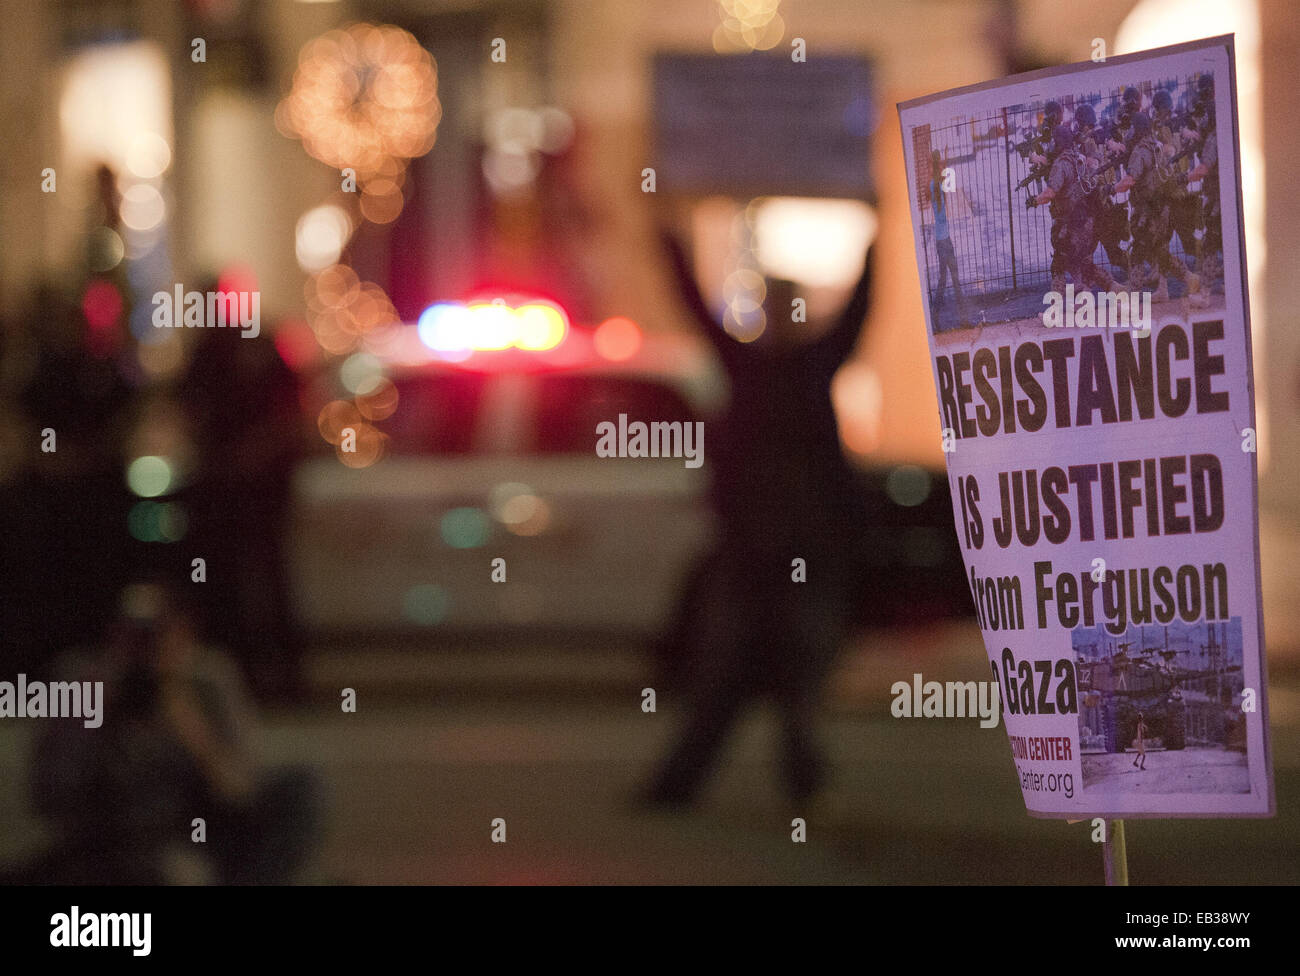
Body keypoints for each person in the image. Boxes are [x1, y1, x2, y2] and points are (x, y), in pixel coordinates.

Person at [642, 227, 875, 807]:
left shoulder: (801, 367)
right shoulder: (776, 369)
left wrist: (877, 238)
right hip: (764, 554)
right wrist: (665, 237)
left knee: (761, 677)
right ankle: (776, 781)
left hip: (789, 554)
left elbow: (858, 312)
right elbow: (694, 306)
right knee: (746, 676)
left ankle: (706, 786)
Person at [25, 584, 324, 884]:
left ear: (185, 632)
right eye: (137, 636)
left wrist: (188, 724)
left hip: (198, 826)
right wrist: (89, 714)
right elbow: (51, 797)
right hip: (116, 835)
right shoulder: (84, 680)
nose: (149, 649)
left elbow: (239, 789)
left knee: (303, 785)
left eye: (160, 634)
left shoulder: (207, 680)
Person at [1115, 112, 1208, 306]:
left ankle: (1130, 297)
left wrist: (1113, 188)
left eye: (1133, 127)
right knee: (1159, 252)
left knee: (1138, 251)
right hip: (1160, 207)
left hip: (1147, 210)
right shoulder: (1156, 146)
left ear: (1137, 130)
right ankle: (1190, 278)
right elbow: (1164, 174)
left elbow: (1131, 179)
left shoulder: (1140, 151)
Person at [1033, 125, 1116, 294]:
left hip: (1069, 224)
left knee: (1058, 263)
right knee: (1083, 264)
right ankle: (1114, 288)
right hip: (1086, 221)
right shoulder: (1080, 159)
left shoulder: (1061, 164)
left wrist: (1034, 200)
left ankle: (1054, 310)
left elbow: (1050, 192)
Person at [928, 149, 968, 329]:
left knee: (945, 279)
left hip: (940, 238)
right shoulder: (937, 185)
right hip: (944, 240)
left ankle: (935, 317)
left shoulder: (932, 184)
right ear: (939, 165)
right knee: (954, 279)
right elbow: (942, 213)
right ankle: (963, 319)